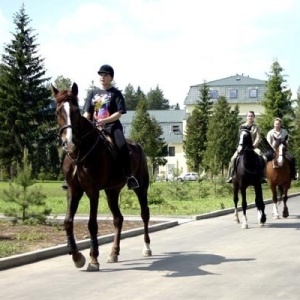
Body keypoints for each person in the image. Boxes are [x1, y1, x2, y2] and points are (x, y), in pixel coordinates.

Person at [82, 64, 139, 189]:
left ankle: (129, 176)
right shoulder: (92, 93)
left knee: (122, 145)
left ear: (111, 78)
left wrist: (105, 121)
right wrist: (83, 123)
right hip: (94, 127)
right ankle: (72, 177)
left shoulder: (116, 93)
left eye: (106, 75)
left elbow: (119, 113)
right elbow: (87, 112)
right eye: (101, 75)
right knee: (76, 144)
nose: (102, 77)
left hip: (112, 126)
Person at [226, 111, 267, 183]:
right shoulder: (242, 126)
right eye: (249, 116)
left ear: (254, 117)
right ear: (246, 117)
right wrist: (239, 146)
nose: (250, 117)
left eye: (251, 116)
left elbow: (258, 137)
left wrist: (254, 145)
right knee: (233, 158)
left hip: (253, 147)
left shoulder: (256, 127)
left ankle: (263, 176)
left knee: (264, 158)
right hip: (242, 147)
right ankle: (231, 176)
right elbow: (239, 137)